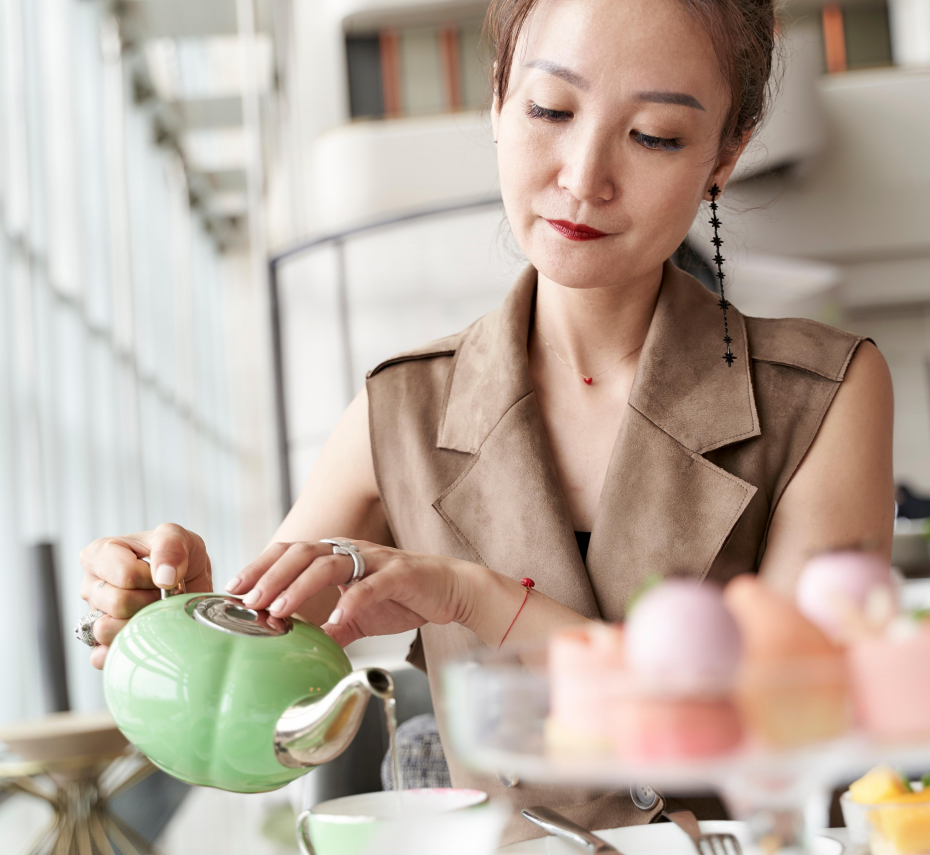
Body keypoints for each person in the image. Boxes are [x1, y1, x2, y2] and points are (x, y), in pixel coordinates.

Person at [78, 0, 894, 844]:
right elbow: (253, 726)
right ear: (499, 98)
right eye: (550, 110)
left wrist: (474, 597)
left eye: (653, 135)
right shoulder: (401, 412)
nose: (583, 175)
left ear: (727, 152)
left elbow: (796, 727)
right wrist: (166, 618)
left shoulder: (824, 393)